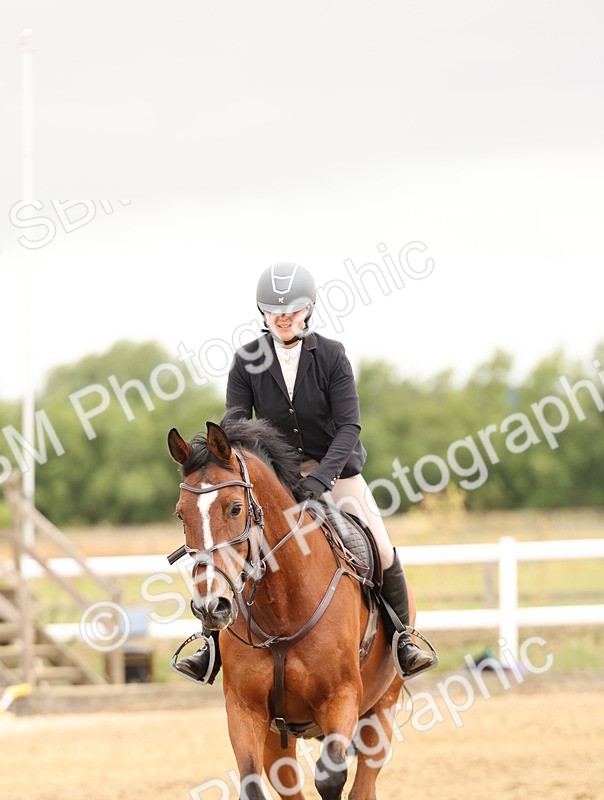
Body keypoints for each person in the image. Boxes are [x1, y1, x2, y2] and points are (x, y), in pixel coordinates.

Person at [174, 260, 437, 683]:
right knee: (229, 546)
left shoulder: (331, 355)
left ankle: (404, 638)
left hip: (337, 469)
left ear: (308, 309)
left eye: (293, 309)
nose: (283, 316)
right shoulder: (246, 361)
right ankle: (209, 644)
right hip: (275, 477)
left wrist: (323, 477)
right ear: (262, 312)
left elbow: (350, 425)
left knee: (382, 548)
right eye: (274, 309)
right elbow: (235, 428)